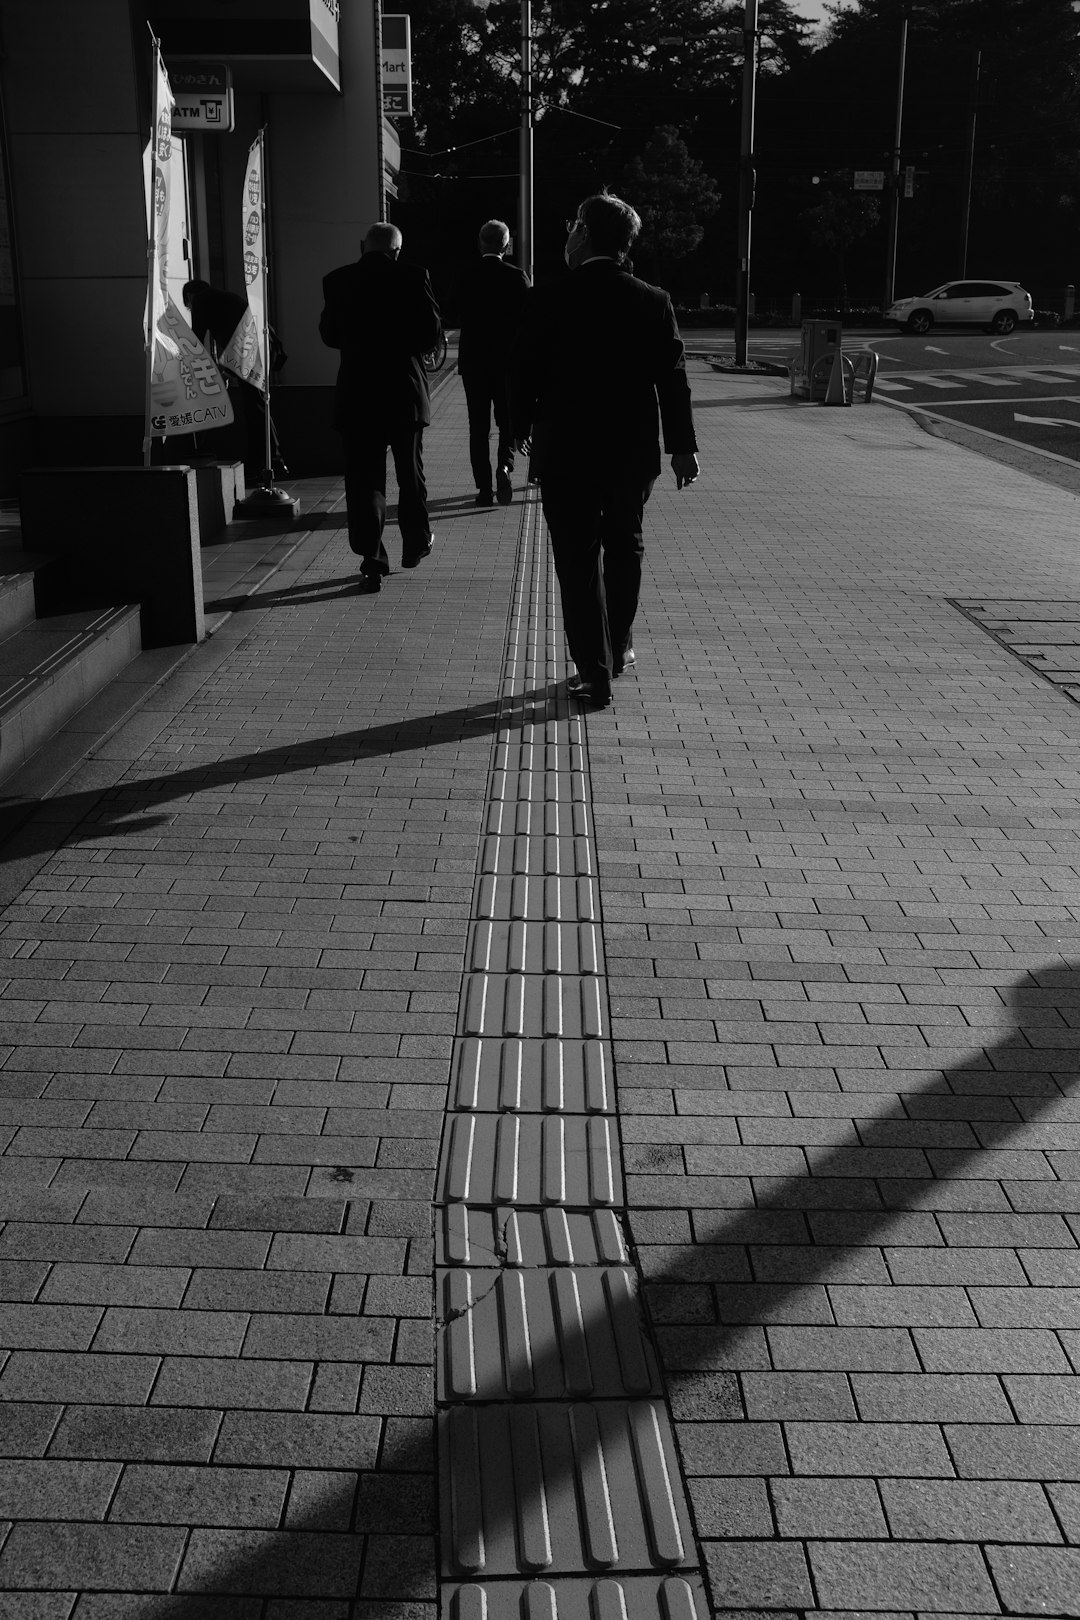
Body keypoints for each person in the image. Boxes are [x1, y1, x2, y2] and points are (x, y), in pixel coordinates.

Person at [512, 191, 699, 707]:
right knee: (624, 548)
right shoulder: (653, 300)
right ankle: (617, 650)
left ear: (587, 234)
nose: (568, 234)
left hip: (567, 451)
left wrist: (517, 426)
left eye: (573, 225)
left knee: (576, 559)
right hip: (631, 451)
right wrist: (682, 448)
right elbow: (673, 381)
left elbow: (522, 373)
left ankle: (594, 672)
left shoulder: (548, 298)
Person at [319, 222, 442, 593]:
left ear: (362, 246)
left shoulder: (337, 280)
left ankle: (373, 560)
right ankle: (416, 543)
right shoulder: (414, 275)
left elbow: (328, 335)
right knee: (410, 473)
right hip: (404, 392)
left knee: (364, 481)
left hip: (358, 394)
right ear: (397, 251)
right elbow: (431, 330)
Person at [453, 219, 530, 507]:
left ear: (479, 243)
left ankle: (484, 489)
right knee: (506, 422)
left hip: (473, 361)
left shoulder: (464, 275)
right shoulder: (517, 277)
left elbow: (453, 311)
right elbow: (528, 322)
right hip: (508, 363)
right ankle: (505, 467)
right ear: (506, 245)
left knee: (478, 427)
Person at [181, 279, 286, 481]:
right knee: (259, 407)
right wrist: (225, 370)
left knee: (255, 410)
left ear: (191, 296)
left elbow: (197, 339)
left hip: (247, 355)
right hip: (259, 351)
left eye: (189, 305)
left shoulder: (202, 300)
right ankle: (272, 460)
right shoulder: (224, 298)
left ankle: (267, 463)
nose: (191, 309)